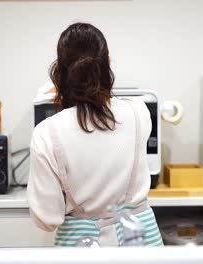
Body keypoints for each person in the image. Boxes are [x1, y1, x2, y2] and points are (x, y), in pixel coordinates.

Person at [27, 23, 163, 247]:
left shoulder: (46, 133)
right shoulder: (139, 112)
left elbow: (47, 218)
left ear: (59, 72)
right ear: (107, 65)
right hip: (140, 244)